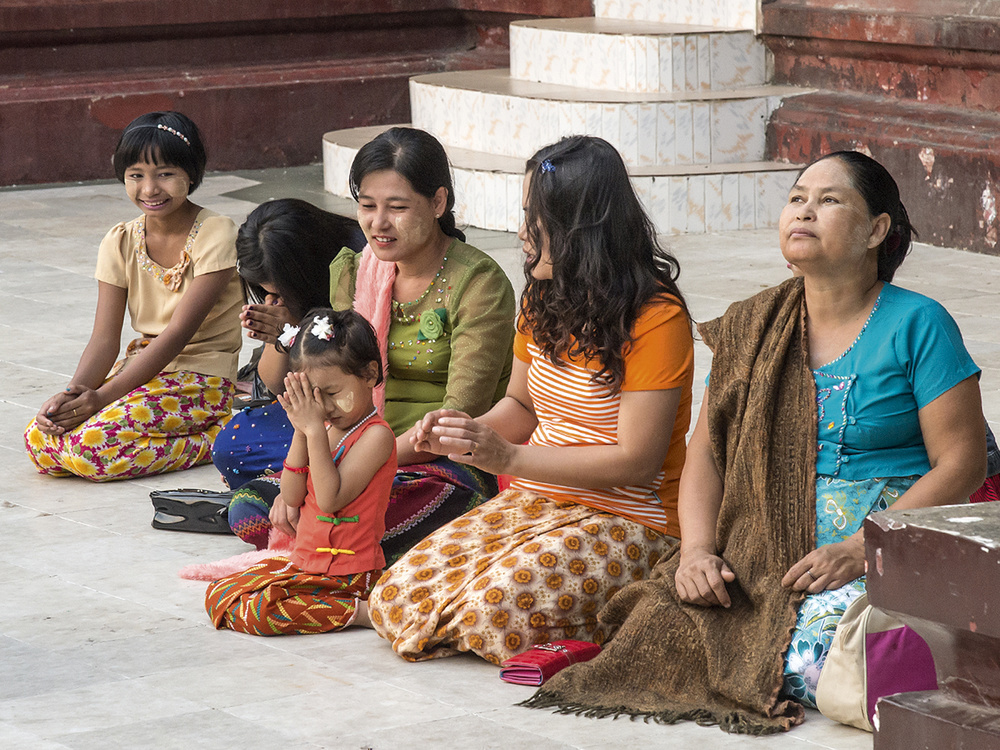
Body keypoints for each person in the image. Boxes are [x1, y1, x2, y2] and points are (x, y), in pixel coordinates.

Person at [524, 151, 986, 733]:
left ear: (877, 230)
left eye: (829, 200)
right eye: (797, 198)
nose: (805, 211)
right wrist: (696, 552)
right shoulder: (753, 325)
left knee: (820, 650)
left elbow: (963, 463)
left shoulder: (919, 323)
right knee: (657, 621)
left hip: (887, 544)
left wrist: (859, 549)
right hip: (764, 546)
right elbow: (708, 456)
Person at [368, 135, 695, 665]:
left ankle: (629, 611)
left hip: (634, 520)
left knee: (484, 615)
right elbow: (521, 407)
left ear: (583, 229)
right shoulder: (544, 295)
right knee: (396, 593)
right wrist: (464, 433)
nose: (523, 233)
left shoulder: (656, 317)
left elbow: (638, 459)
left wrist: (511, 458)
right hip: (538, 498)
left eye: (538, 221)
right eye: (525, 215)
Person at [220, 128, 516, 564]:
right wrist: (311, 466)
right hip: (350, 439)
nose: (378, 223)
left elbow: (460, 417)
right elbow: (326, 378)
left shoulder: (477, 283)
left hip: (439, 460)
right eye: (367, 206)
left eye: (397, 207)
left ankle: (341, 538)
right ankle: (345, 536)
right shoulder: (354, 271)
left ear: (438, 202)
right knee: (245, 485)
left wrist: (356, 468)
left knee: (383, 506)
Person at [24, 111, 242, 481]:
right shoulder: (120, 240)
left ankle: (219, 437)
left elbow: (176, 336)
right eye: (136, 175)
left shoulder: (215, 233)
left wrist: (104, 398)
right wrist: (76, 394)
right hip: (142, 368)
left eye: (165, 174)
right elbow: (105, 339)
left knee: (91, 449)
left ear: (192, 173)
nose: (150, 189)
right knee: (40, 440)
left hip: (203, 379)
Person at [205, 309, 396, 635]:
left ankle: (361, 611)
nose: (323, 407)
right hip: (307, 564)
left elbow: (329, 498)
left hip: (349, 573)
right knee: (219, 594)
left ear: (369, 373)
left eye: (332, 393)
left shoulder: (376, 436)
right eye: (312, 396)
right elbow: (291, 496)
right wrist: (301, 430)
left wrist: (314, 432)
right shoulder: (320, 426)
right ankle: (340, 607)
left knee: (265, 612)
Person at [210, 199, 366, 495]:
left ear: (304, 272)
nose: (274, 297)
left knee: (352, 449)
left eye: (281, 290)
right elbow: (275, 386)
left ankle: (300, 477)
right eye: (267, 291)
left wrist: (298, 331)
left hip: (352, 405)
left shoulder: (355, 263)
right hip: (310, 407)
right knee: (231, 447)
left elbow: (353, 373)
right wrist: (282, 338)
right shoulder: (284, 296)